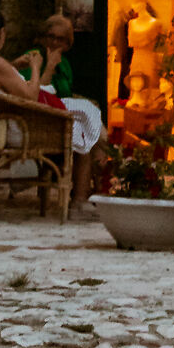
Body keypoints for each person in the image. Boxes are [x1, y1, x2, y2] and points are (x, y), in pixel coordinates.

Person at [26, 12, 106, 211]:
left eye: (60, 39)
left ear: (67, 44)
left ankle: (93, 195)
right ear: (43, 37)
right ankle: (81, 198)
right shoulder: (34, 58)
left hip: (60, 119)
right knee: (90, 136)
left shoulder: (66, 64)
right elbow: (35, 95)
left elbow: (65, 95)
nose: (54, 42)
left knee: (95, 135)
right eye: (51, 36)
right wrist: (49, 67)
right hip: (40, 122)